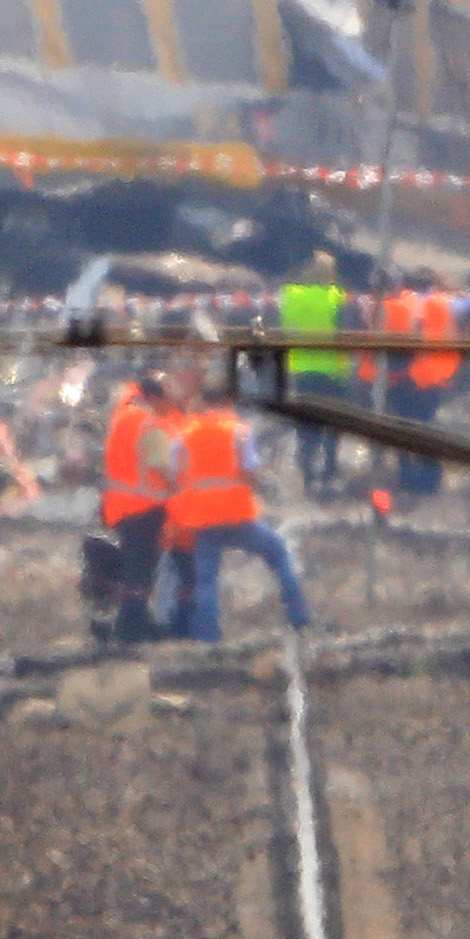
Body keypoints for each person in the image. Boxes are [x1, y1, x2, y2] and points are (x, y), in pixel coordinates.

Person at [168, 387, 311, 643]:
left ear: (203, 402)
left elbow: (174, 472)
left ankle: (208, 637)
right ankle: (299, 616)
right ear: (227, 401)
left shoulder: (185, 434)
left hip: (202, 517)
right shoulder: (238, 431)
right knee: (278, 552)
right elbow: (252, 472)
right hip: (237, 514)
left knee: (206, 580)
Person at [92, 373, 170, 641]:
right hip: (145, 507)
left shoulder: (121, 418)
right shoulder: (148, 423)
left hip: (119, 508)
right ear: (155, 398)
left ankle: (133, 623)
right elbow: (162, 464)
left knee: (132, 569)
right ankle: (131, 628)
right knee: (140, 572)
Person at [374, 267, 461, 504]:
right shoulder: (447, 304)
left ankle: (407, 478)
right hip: (437, 378)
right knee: (425, 429)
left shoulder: (407, 305)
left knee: (403, 430)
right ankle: (430, 481)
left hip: (411, 377)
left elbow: (402, 343)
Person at [278, 249, 355, 495]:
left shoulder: (291, 296)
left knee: (307, 424)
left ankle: (308, 471)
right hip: (332, 371)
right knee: (332, 425)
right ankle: (329, 471)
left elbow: (283, 325)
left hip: (301, 369)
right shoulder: (337, 297)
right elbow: (346, 331)